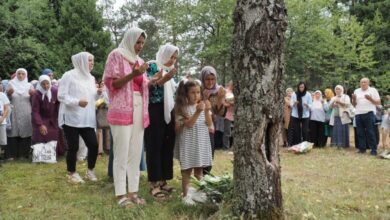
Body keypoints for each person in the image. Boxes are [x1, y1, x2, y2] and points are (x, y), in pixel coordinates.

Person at [103, 27, 159, 207]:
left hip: (139, 107)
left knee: (136, 152)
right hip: (121, 108)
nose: (140, 46)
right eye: (137, 42)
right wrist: (133, 74)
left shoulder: (140, 61)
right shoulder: (116, 55)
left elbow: (142, 86)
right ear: (129, 39)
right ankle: (120, 195)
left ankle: (133, 192)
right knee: (121, 152)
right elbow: (112, 84)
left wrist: (155, 81)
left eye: (143, 43)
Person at [58, 51, 101, 183]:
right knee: (74, 146)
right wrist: (77, 102)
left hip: (86, 118)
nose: (92, 63)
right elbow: (61, 95)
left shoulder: (91, 78)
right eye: (89, 60)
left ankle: (90, 171)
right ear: (81, 61)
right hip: (71, 118)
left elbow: (92, 97)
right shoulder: (69, 75)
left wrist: (98, 93)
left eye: (92, 60)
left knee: (93, 145)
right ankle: (72, 173)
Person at [144, 43, 179, 199]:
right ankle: (154, 183)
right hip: (154, 109)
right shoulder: (151, 66)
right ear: (164, 54)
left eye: (175, 57)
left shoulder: (171, 72)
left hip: (169, 111)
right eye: (171, 56)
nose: (172, 60)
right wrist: (160, 81)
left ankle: (164, 180)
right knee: (154, 145)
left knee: (167, 145)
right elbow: (144, 89)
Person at [174, 79, 212, 205]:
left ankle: (201, 193)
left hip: (200, 144)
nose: (196, 96)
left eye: (198, 92)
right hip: (188, 144)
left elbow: (209, 123)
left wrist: (206, 111)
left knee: (199, 171)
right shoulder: (182, 109)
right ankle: (185, 196)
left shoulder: (202, 106)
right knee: (186, 171)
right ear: (186, 94)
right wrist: (198, 112)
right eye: (192, 93)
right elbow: (189, 124)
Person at [199, 66, 225, 174]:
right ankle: (198, 174)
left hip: (211, 126)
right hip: (199, 125)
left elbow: (221, 113)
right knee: (200, 151)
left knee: (210, 150)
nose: (210, 82)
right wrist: (204, 98)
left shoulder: (219, 91)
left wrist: (220, 99)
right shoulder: (197, 90)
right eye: (207, 79)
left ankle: (207, 174)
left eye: (212, 79)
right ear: (203, 79)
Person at [6, 68, 34, 160]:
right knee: (13, 130)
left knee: (25, 130)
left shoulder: (29, 85)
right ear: (16, 75)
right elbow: (5, 100)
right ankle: (11, 154)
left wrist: (33, 95)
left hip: (26, 111)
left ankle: (23, 154)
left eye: (23, 74)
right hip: (13, 110)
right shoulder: (11, 84)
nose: (21, 75)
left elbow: (34, 100)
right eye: (19, 74)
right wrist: (9, 94)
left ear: (26, 75)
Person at [352, 78, 381, 155]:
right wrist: (354, 99)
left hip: (369, 113)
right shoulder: (356, 91)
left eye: (365, 82)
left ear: (368, 83)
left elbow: (378, 102)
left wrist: (370, 99)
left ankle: (373, 150)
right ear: (360, 83)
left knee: (370, 132)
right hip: (358, 113)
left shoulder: (373, 90)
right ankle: (362, 149)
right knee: (360, 132)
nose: (363, 83)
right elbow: (354, 105)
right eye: (361, 82)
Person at [31, 75, 60, 146]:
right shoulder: (37, 94)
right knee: (41, 132)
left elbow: (58, 104)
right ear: (40, 84)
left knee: (54, 134)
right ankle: (41, 153)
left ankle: (52, 153)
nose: (46, 86)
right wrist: (40, 124)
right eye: (43, 84)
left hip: (53, 119)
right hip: (41, 118)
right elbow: (35, 111)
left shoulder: (54, 91)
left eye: (47, 83)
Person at [223, 81, 234, 149]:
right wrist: (229, 104)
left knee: (235, 132)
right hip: (227, 115)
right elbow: (223, 102)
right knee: (227, 132)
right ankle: (225, 147)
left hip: (235, 115)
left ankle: (233, 147)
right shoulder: (226, 91)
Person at [0, 90, 10, 159]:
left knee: (2, 142)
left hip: (1, 122)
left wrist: (3, 118)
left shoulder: (2, 95)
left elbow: (7, 108)